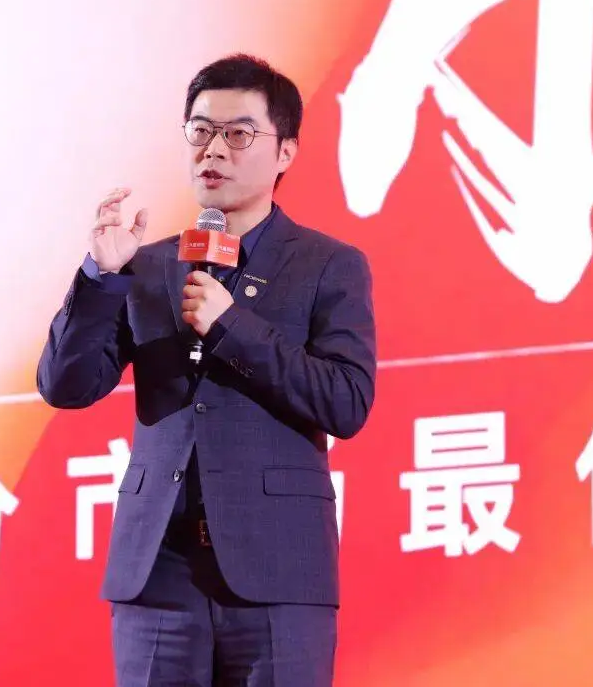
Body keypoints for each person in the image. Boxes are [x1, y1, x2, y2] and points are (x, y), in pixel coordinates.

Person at [36, 53, 377, 686]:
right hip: (158, 571)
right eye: (200, 131)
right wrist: (102, 276)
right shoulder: (147, 265)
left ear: (285, 152)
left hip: (277, 570)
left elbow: (346, 401)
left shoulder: (329, 264)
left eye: (238, 134)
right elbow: (65, 385)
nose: (212, 150)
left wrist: (232, 326)